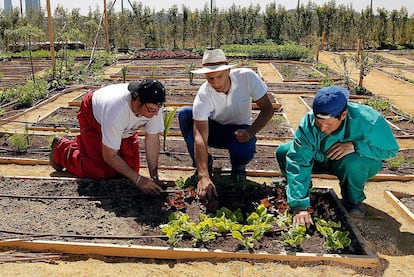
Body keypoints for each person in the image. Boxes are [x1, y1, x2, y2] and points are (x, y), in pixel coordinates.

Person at [276, 86, 399, 225]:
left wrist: (356, 146)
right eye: (319, 123)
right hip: (321, 159)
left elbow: (390, 150)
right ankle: (301, 189)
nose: (323, 128)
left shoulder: (369, 120)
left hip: (353, 165)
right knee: (284, 151)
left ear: (343, 115)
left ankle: (354, 200)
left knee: (352, 162)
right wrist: (299, 206)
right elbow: (298, 160)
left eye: (328, 124)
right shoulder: (308, 123)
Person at [178, 48, 274, 201]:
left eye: (219, 76)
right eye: (210, 78)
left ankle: (238, 168)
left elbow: (268, 109)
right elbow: (200, 137)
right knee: (185, 115)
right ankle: (204, 165)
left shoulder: (247, 78)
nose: (215, 82)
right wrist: (203, 175)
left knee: (244, 148)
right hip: (214, 129)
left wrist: (251, 131)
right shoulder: (204, 94)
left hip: (239, 132)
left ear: (228, 70)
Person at [50, 79, 167, 196]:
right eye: (152, 110)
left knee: (130, 170)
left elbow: (152, 139)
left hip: (124, 128)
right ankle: (61, 149)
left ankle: (93, 147)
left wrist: (154, 176)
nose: (156, 114)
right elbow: (109, 155)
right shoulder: (116, 111)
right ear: (137, 101)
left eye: (159, 109)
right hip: (94, 117)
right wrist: (138, 180)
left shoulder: (154, 105)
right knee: (99, 171)